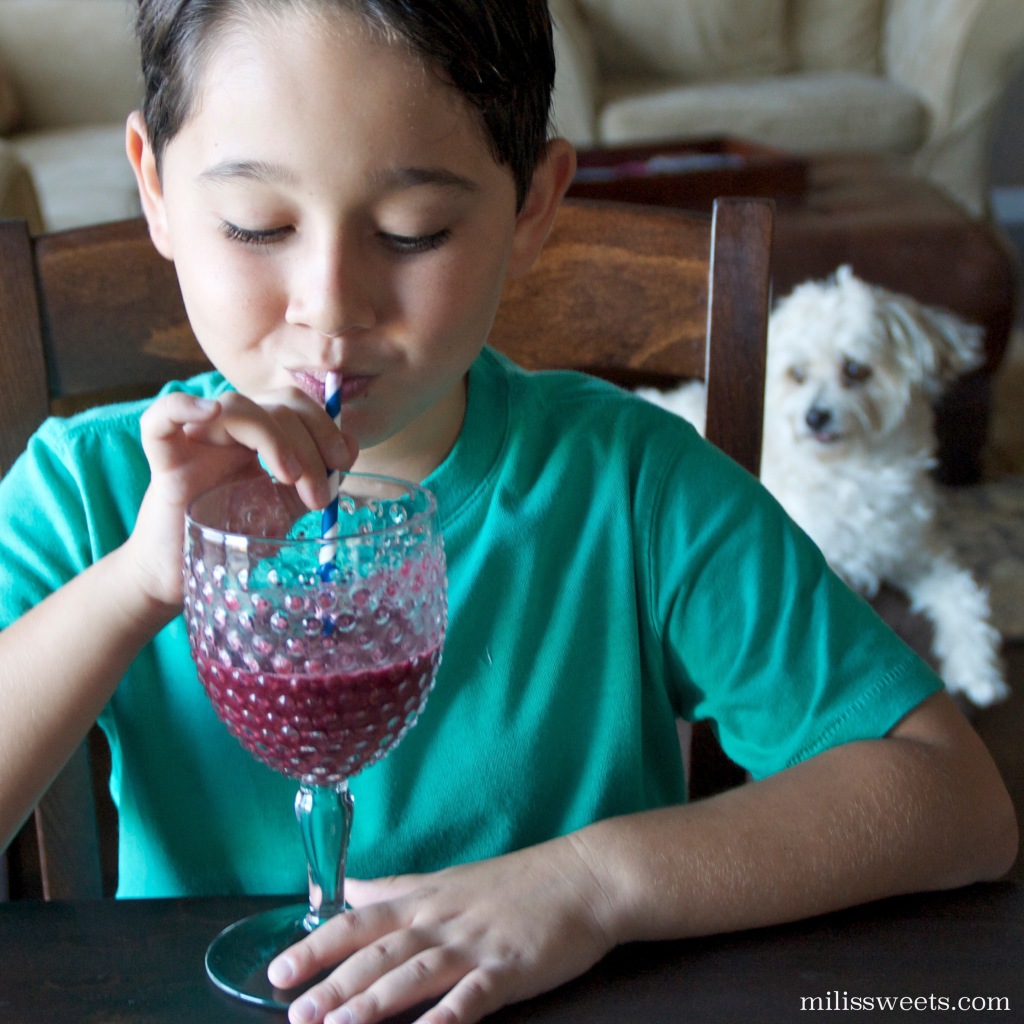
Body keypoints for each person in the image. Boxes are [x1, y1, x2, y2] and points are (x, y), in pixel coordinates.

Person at [0, 2, 1016, 1023]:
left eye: (412, 232)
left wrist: (592, 881)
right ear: (156, 188)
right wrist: (134, 582)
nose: (331, 304)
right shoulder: (85, 490)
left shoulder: (633, 486)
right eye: (257, 225)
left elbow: (954, 802)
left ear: (533, 207)